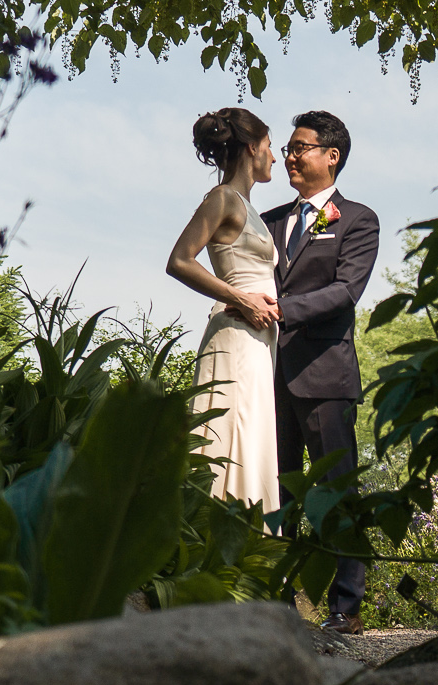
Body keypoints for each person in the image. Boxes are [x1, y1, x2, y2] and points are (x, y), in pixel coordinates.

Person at [262, 110, 380, 635]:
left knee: (336, 491)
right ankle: (279, 606)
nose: (289, 155)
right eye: (287, 147)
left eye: (300, 147)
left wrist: (283, 309)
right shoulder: (265, 223)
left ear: (331, 156)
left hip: (325, 377)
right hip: (267, 378)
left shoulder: (357, 219)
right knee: (276, 494)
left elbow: (345, 292)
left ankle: (346, 608)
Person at [166, 107, 281, 508]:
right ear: (252, 148)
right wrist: (241, 298)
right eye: (269, 146)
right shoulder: (223, 199)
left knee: (254, 437)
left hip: (259, 342)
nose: (274, 156)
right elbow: (179, 260)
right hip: (235, 336)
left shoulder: (250, 209)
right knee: (233, 434)